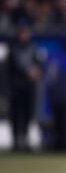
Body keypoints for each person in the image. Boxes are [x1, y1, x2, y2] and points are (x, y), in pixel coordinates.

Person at [7, 22, 41, 152]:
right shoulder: (13, 48)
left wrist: (36, 71)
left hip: (28, 87)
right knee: (15, 115)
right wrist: (27, 72)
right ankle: (16, 141)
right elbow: (13, 66)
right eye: (22, 33)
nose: (24, 36)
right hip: (16, 87)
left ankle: (25, 140)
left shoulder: (32, 48)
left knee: (27, 114)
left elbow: (38, 63)